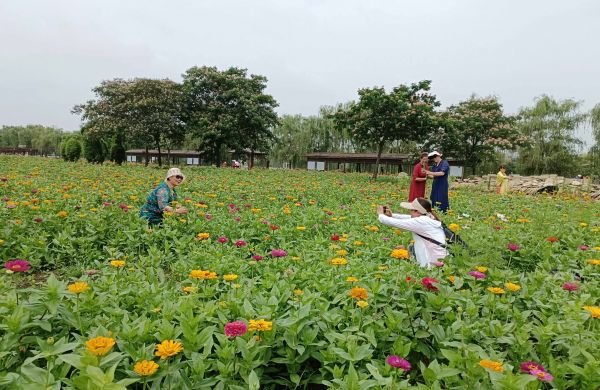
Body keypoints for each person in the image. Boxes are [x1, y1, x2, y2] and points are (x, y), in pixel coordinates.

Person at [377, 198, 448, 268]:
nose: (409, 212)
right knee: (411, 247)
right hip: (441, 257)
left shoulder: (421, 222)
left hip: (435, 262)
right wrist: (392, 215)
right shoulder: (429, 217)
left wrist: (380, 214)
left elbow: (394, 223)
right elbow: (407, 218)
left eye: (411, 210)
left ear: (417, 211)